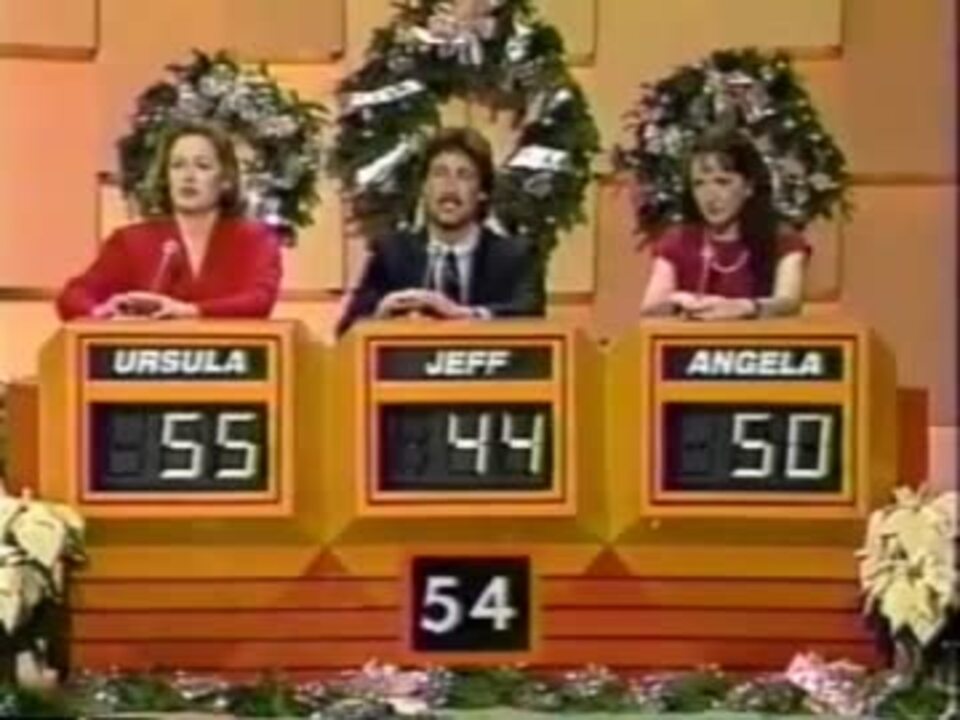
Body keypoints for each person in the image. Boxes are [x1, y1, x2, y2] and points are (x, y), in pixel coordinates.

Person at [57, 121, 282, 320]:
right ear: (166, 177)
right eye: (177, 165)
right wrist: (100, 312)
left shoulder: (255, 239)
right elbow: (73, 296)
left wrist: (189, 311)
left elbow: (259, 300)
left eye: (202, 166)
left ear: (225, 180)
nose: (188, 176)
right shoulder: (131, 242)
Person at [336, 127, 545, 336]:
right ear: (424, 188)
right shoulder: (392, 254)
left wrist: (463, 315)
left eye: (464, 176)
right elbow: (346, 332)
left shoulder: (515, 256)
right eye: (439, 174)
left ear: (482, 192)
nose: (450, 187)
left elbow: (530, 314)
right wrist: (380, 314)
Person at [639, 131, 809, 320]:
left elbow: (789, 302)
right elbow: (650, 306)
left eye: (722, 182)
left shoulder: (782, 239)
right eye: (699, 184)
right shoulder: (677, 241)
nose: (710, 196)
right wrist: (680, 301)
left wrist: (744, 307)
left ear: (749, 186)